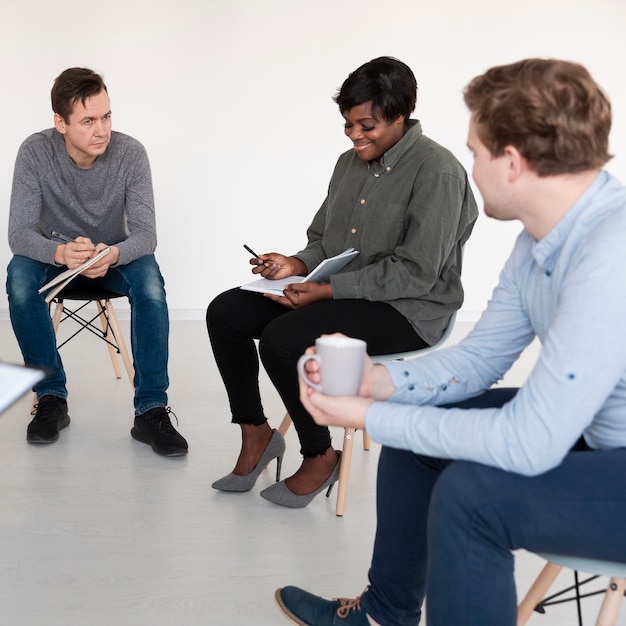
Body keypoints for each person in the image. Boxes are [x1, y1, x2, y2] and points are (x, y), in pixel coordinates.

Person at [274, 58, 626, 625]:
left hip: (610, 456)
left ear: (512, 162)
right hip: (594, 431)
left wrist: (370, 416)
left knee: (472, 500)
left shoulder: (612, 254)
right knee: (418, 439)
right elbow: (483, 356)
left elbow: (530, 440)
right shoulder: (542, 238)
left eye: (477, 153)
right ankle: (383, 614)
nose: (471, 169)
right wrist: (382, 384)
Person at [206, 56, 477, 508]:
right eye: (348, 126)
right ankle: (256, 432)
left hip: (410, 309)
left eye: (366, 126)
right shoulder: (349, 164)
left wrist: (325, 291)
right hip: (339, 293)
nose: (355, 136)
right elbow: (323, 242)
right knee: (225, 312)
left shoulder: (438, 172)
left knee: (281, 340)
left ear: (400, 114)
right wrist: (294, 264)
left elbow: (417, 271)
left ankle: (320, 454)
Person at [6, 67, 188, 457]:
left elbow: (145, 234)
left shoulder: (131, 153)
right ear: (60, 122)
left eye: (106, 117)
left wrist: (113, 254)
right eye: (88, 121)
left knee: (150, 282)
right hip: (57, 262)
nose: (101, 130)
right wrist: (58, 253)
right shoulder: (35, 153)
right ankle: (50, 396)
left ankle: (151, 409)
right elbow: (18, 235)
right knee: (18, 276)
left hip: (112, 261)